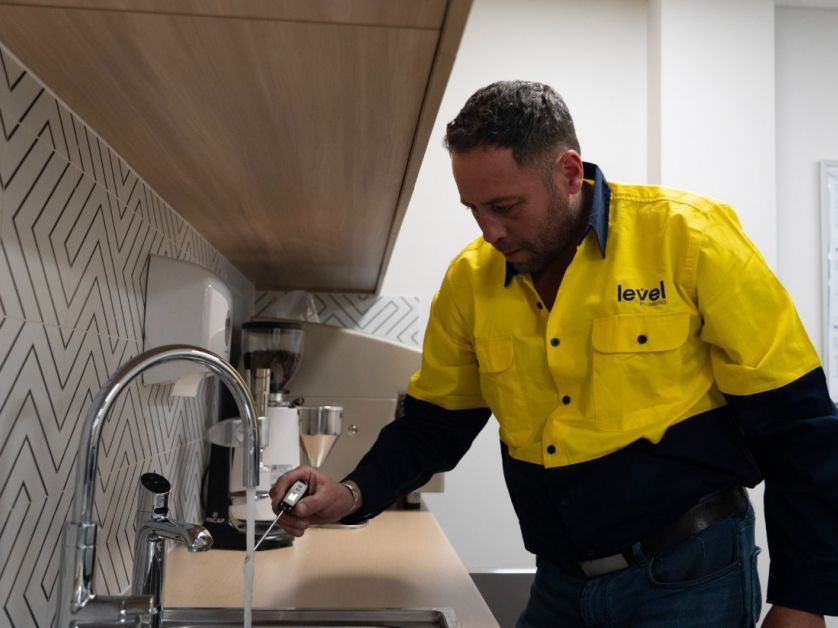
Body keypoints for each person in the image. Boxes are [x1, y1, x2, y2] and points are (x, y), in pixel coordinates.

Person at [270, 80, 838, 627]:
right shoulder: (471, 281)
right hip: (562, 584)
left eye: (506, 206)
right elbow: (432, 427)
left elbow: (799, 425)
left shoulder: (690, 239)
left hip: (690, 578)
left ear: (568, 172)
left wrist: (802, 599)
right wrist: (350, 493)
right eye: (473, 209)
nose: (489, 230)